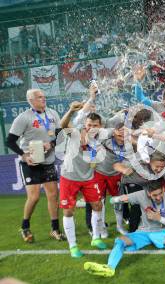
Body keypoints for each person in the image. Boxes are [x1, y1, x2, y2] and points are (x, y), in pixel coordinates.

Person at [83, 180, 165, 277]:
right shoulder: (141, 195)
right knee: (121, 241)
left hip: (163, 232)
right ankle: (109, 268)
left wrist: (160, 219)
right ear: (148, 193)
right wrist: (116, 199)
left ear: (163, 190)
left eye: (160, 194)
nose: (158, 197)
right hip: (143, 232)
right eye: (155, 195)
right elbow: (116, 200)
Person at [6, 88, 65, 242]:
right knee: (34, 197)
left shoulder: (53, 114)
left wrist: (51, 144)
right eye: (39, 97)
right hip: (31, 163)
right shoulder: (23, 118)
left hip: (48, 161)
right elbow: (10, 141)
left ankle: (55, 229)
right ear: (31, 101)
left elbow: (59, 135)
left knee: (53, 195)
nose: (43, 99)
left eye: (44, 96)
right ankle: (25, 227)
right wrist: (24, 155)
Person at [59, 105, 107, 257]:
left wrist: (89, 148)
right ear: (85, 126)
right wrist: (71, 111)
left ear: (100, 127)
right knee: (68, 211)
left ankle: (96, 237)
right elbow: (63, 124)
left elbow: (93, 162)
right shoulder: (75, 133)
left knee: (98, 205)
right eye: (89, 125)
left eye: (95, 125)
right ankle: (73, 246)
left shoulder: (101, 141)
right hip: (69, 177)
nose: (92, 128)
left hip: (88, 177)